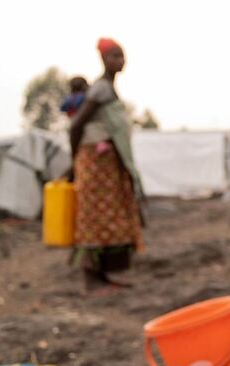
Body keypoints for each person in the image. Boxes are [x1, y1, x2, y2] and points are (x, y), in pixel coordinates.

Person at [67, 38, 145, 294]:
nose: (119, 61)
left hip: (108, 163)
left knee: (109, 218)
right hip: (95, 162)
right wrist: (75, 161)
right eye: (114, 56)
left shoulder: (107, 89)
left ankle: (103, 276)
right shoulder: (100, 89)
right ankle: (91, 279)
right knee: (94, 219)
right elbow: (76, 125)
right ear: (103, 59)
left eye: (121, 55)